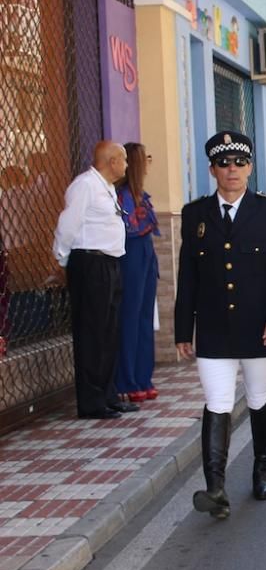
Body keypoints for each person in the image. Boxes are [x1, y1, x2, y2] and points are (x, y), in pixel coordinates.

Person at [175, 131, 266, 519]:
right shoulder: (195, 214)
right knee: (217, 403)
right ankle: (215, 488)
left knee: (259, 398)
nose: (232, 170)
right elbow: (188, 276)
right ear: (212, 169)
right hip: (212, 327)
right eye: (224, 163)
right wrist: (182, 330)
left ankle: (261, 468)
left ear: (250, 167)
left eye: (240, 163)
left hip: (259, 326)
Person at [53, 141, 139, 419]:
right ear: (112, 161)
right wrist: (63, 257)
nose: (127, 165)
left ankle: (108, 394)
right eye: (124, 160)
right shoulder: (85, 185)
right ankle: (92, 402)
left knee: (109, 332)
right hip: (90, 263)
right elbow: (68, 224)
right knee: (92, 334)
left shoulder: (107, 187)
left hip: (109, 263)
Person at [115, 143, 160, 403]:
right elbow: (129, 229)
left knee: (143, 317)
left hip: (144, 254)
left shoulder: (138, 194)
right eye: (147, 158)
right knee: (130, 318)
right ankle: (128, 380)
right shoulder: (123, 196)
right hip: (130, 253)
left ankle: (143, 378)